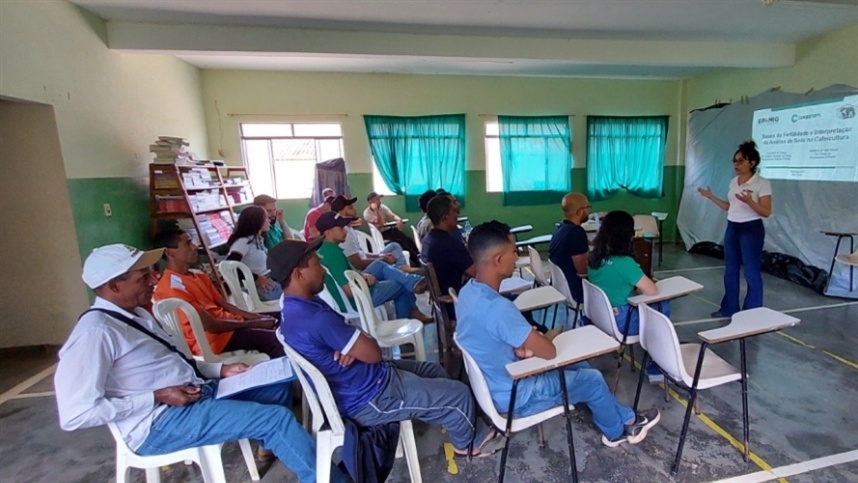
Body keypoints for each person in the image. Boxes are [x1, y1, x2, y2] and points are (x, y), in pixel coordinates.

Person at [55, 243, 327, 483]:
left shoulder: (137, 314)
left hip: (194, 393)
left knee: (276, 388)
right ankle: (324, 476)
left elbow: (174, 361)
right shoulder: (95, 333)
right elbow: (75, 414)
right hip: (157, 423)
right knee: (275, 419)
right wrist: (157, 396)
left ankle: (279, 447)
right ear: (114, 286)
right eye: (143, 277)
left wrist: (221, 369)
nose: (154, 279)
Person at [270, 240, 505, 458]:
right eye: (316, 264)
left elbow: (351, 340)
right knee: (459, 394)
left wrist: (350, 343)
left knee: (433, 371)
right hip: (370, 397)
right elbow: (372, 352)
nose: (323, 269)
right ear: (298, 274)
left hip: (363, 380)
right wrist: (355, 340)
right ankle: (468, 445)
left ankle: (459, 419)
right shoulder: (314, 318)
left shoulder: (294, 308)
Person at [455, 221, 661, 448]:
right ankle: (615, 433)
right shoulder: (498, 308)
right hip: (518, 396)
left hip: (498, 382)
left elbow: (497, 335)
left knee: (582, 367)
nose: (517, 256)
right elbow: (549, 352)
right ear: (498, 260)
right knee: (592, 380)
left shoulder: (468, 293)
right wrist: (541, 338)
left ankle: (628, 418)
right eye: (514, 251)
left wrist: (526, 339)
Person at [152, 229, 284, 358]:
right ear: (170, 253)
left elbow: (223, 303)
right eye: (188, 243)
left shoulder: (197, 275)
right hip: (213, 340)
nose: (194, 246)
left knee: (284, 316)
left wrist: (256, 317)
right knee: (276, 341)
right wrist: (254, 323)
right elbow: (212, 326)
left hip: (228, 325)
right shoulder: (173, 288)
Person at [587, 211, 669, 383]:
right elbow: (652, 290)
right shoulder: (625, 263)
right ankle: (655, 367)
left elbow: (612, 285)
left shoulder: (594, 258)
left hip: (600, 318)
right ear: (628, 235)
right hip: (622, 322)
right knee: (661, 306)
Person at [314, 211, 433, 323]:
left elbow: (345, 275)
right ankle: (405, 324)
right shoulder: (334, 255)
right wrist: (366, 282)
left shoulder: (324, 249)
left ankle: (413, 281)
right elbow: (350, 291)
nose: (345, 231)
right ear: (327, 233)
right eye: (340, 228)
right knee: (401, 285)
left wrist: (362, 275)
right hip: (357, 300)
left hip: (347, 295)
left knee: (379, 265)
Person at [698, 140, 772, 317]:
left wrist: (750, 202)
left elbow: (766, 211)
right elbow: (729, 207)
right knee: (730, 270)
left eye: (741, 161)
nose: (736, 164)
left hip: (751, 229)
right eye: (735, 160)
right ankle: (729, 308)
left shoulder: (761, 183)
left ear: (752, 163)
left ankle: (752, 312)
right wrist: (711, 197)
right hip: (733, 227)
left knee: (751, 271)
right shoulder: (734, 182)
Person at [331, 194, 414, 273]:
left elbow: (362, 254)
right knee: (383, 262)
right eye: (350, 208)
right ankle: (402, 272)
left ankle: (401, 270)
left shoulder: (349, 228)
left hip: (367, 259)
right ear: (340, 212)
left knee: (395, 245)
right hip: (363, 271)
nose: (355, 209)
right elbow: (359, 264)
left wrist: (380, 256)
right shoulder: (344, 233)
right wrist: (381, 259)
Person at [420, 194, 475, 298]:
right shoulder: (449, 244)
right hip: (456, 300)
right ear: (445, 217)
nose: (457, 215)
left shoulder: (428, 240)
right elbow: (477, 273)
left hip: (445, 298)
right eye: (454, 212)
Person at [226, 205, 280, 301]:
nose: (268, 221)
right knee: (296, 295)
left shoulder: (256, 239)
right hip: (260, 287)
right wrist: (255, 278)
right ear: (257, 222)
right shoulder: (243, 242)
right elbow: (229, 266)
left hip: (269, 280)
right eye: (265, 218)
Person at [548, 193, 591, 303]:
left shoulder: (560, 228)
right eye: (588, 208)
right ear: (579, 212)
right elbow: (583, 271)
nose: (589, 211)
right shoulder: (576, 232)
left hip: (561, 285)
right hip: (575, 290)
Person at [363, 191, 421, 263]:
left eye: (379, 199)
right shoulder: (367, 213)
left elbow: (392, 215)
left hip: (390, 230)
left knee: (408, 239)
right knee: (401, 242)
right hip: (382, 234)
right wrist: (376, 210)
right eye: (377, 199)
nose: (379, 201)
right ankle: (417, 261)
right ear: (370, 201)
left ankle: (419, 256)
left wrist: (399, 220)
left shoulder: (382, 207)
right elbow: (380, 223)